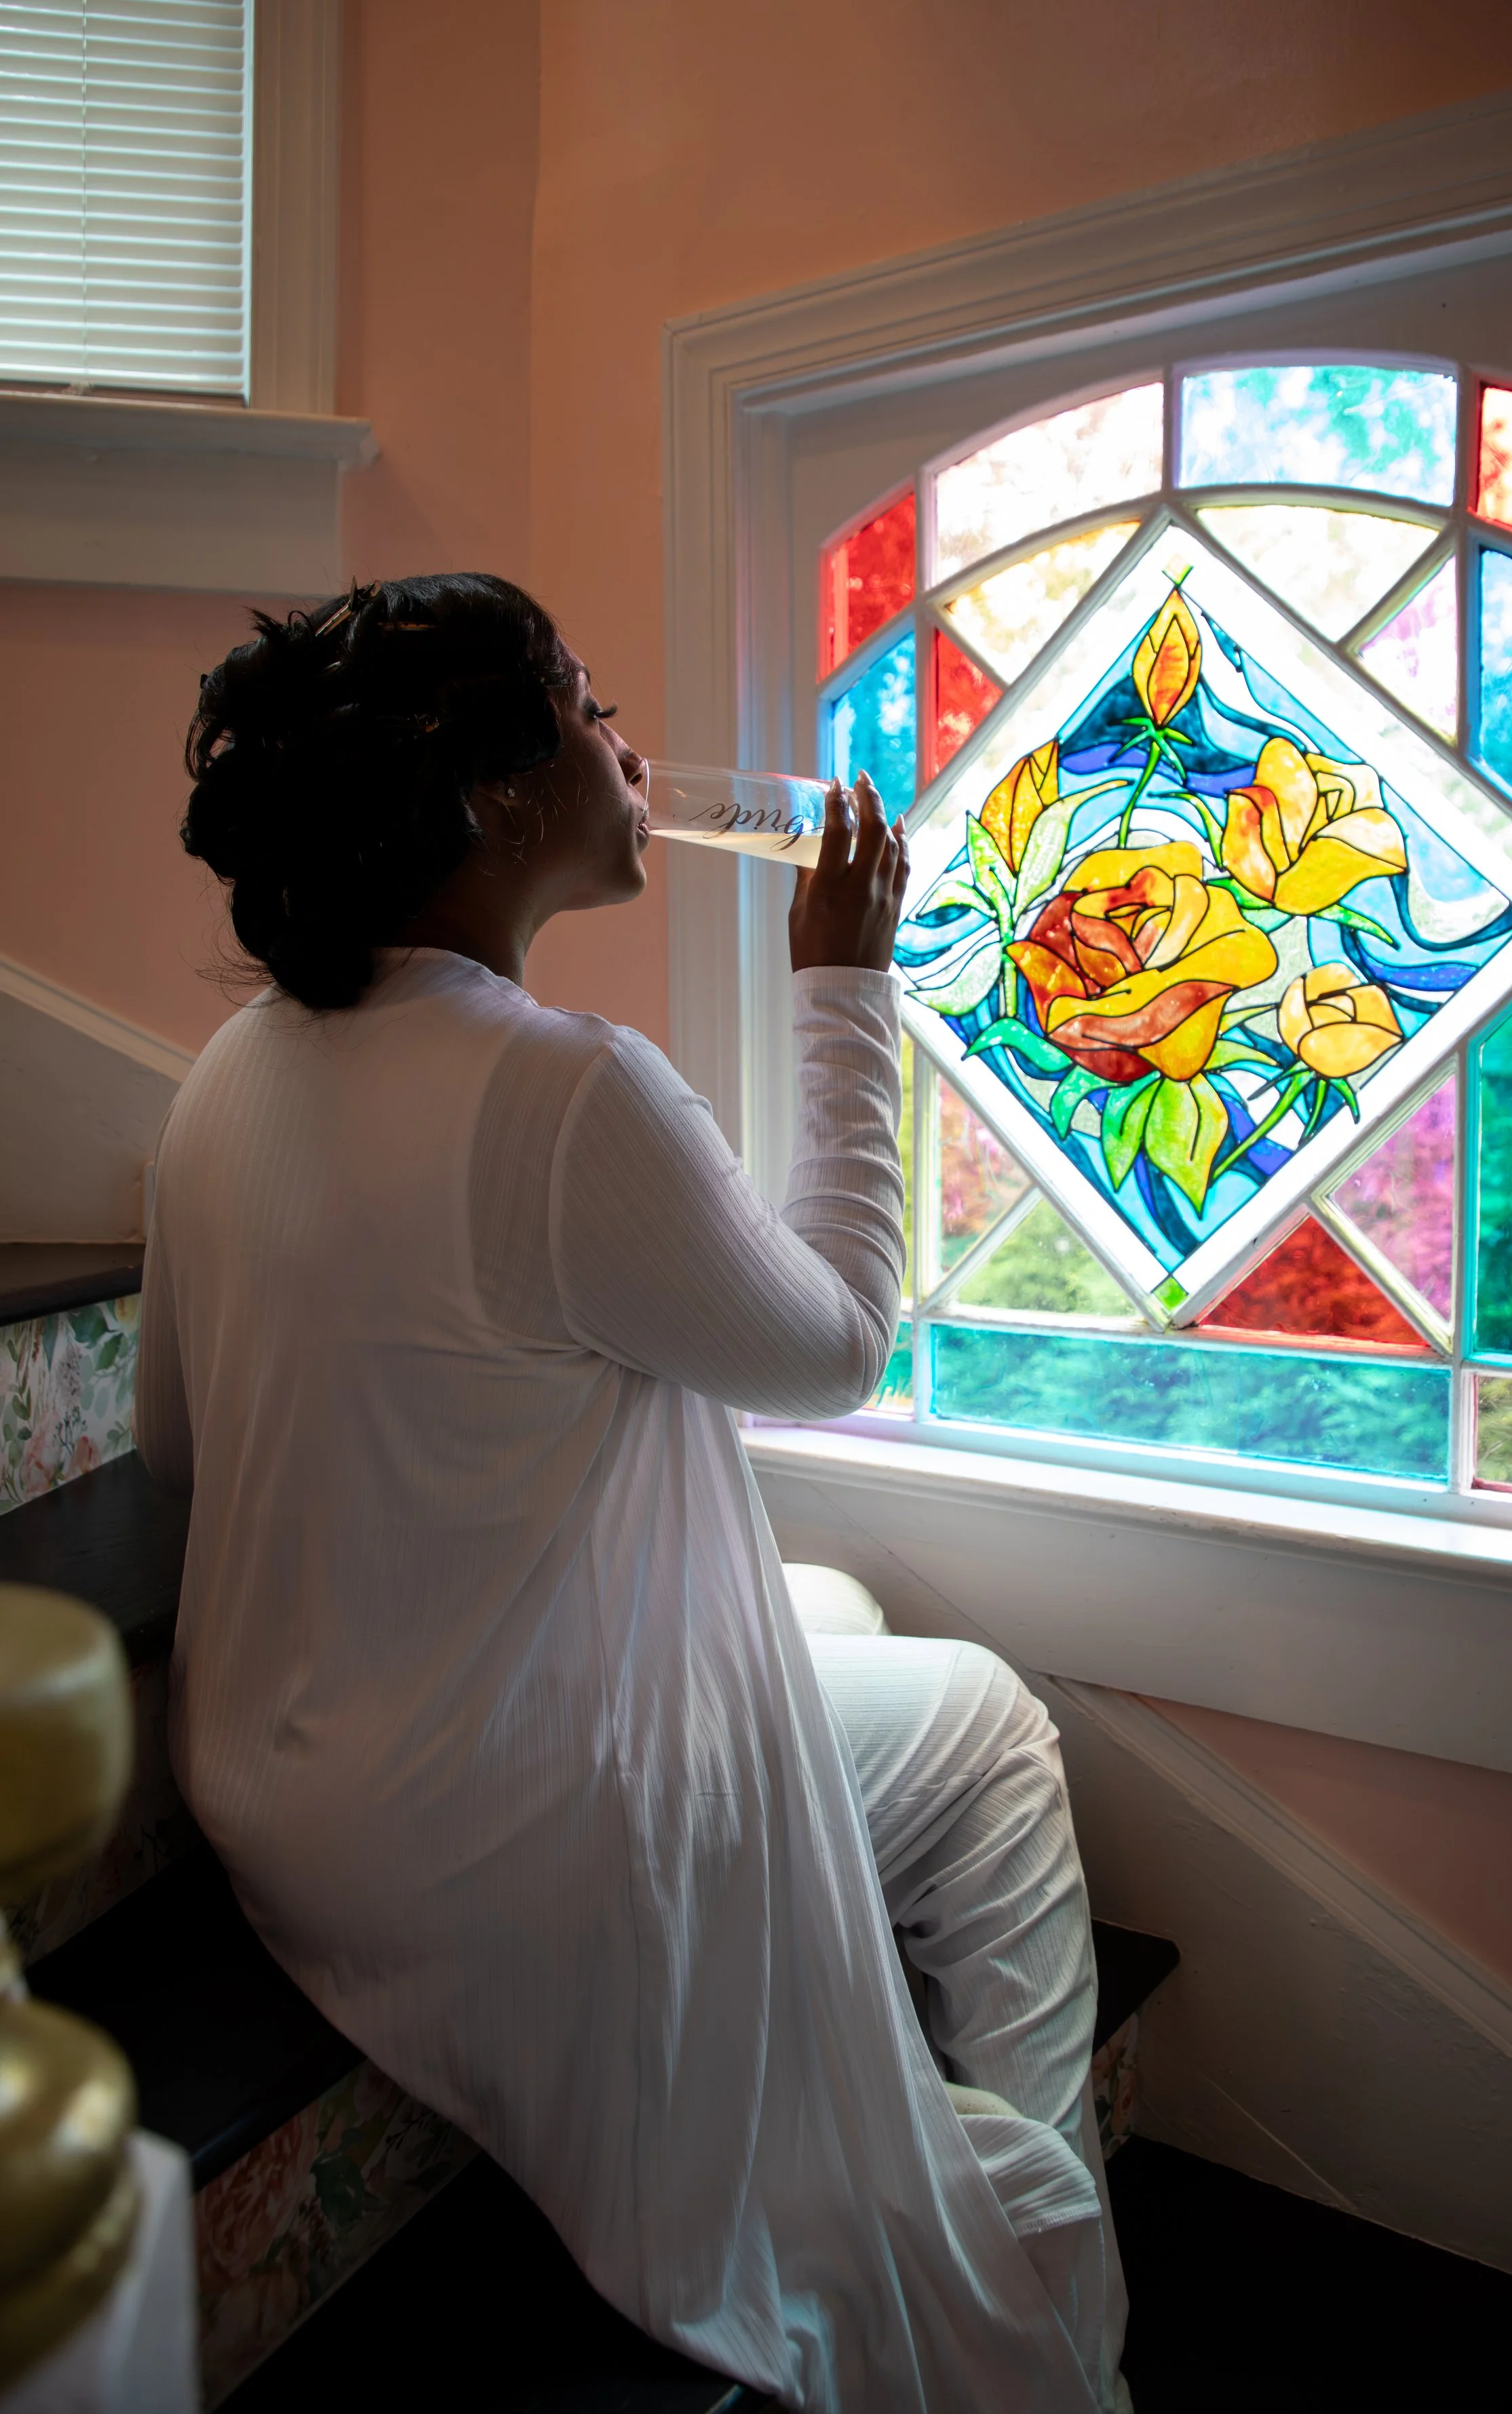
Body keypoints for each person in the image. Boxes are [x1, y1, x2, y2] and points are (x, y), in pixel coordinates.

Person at [136, 573, 1129, 2411]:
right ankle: (1013, 2221)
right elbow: (833, 1344)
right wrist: (844, 991)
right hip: (488, 1855)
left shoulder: (224, 1075)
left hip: (279, 1797)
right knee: (983, 1726)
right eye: (588, 705)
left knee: (816, 1615)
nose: (634, 748)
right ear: (492, 794)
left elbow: (188, 1463)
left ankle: (873, 2063)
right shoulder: (563, 1091)